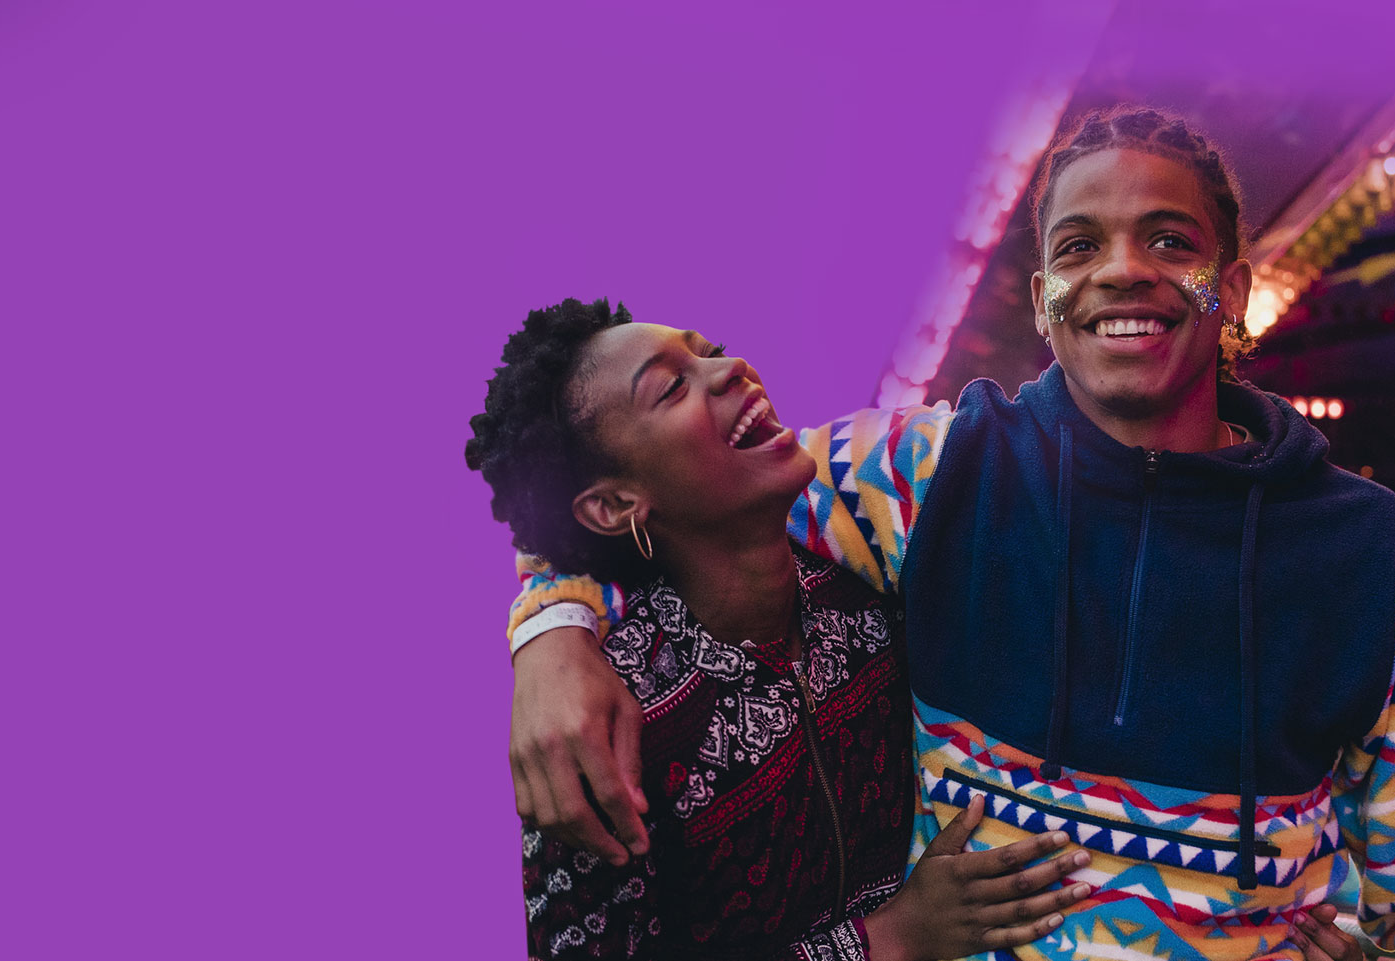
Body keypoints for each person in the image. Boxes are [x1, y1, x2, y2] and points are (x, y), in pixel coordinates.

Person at [504, 108, 1395, 960]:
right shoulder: (921, 476)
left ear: (1234, 292)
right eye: (1079, 246)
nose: (1123, 271)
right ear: (1043, 301)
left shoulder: (1366, 553)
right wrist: (552, 629)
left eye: (1171, 240)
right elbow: (644, 490)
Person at [466, 301, 1098, 960]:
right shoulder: (605, 735)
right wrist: (887, 939)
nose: (730, 369)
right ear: (614, 504)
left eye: (710, 351)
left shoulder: (870, 575)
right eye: (673, 385)